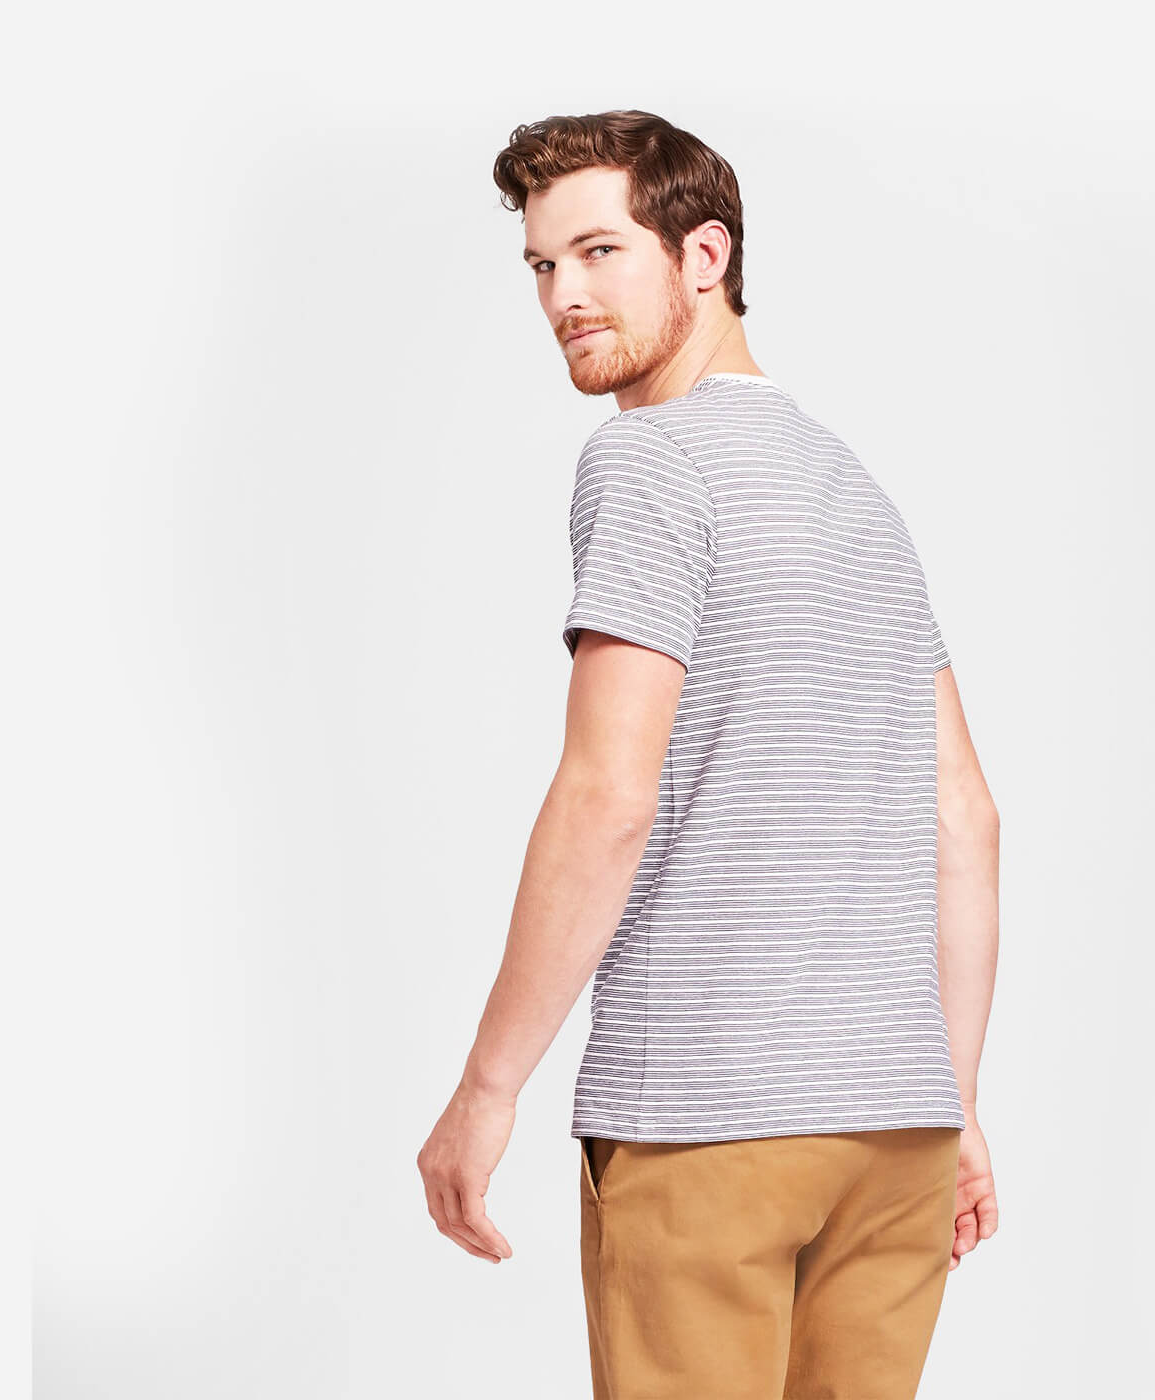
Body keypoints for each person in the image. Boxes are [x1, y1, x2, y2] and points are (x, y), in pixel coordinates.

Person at [417, 109, 1000, 1398]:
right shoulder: (857, 493)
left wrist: (489, 1087)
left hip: (705, 1119)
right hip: (898, 1137)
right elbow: (965, 817)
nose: (564, 297)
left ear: (703, 255)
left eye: (599, 252)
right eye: (542, 265)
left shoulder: (647, 459)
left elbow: (607, 795)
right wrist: (952, 1103)